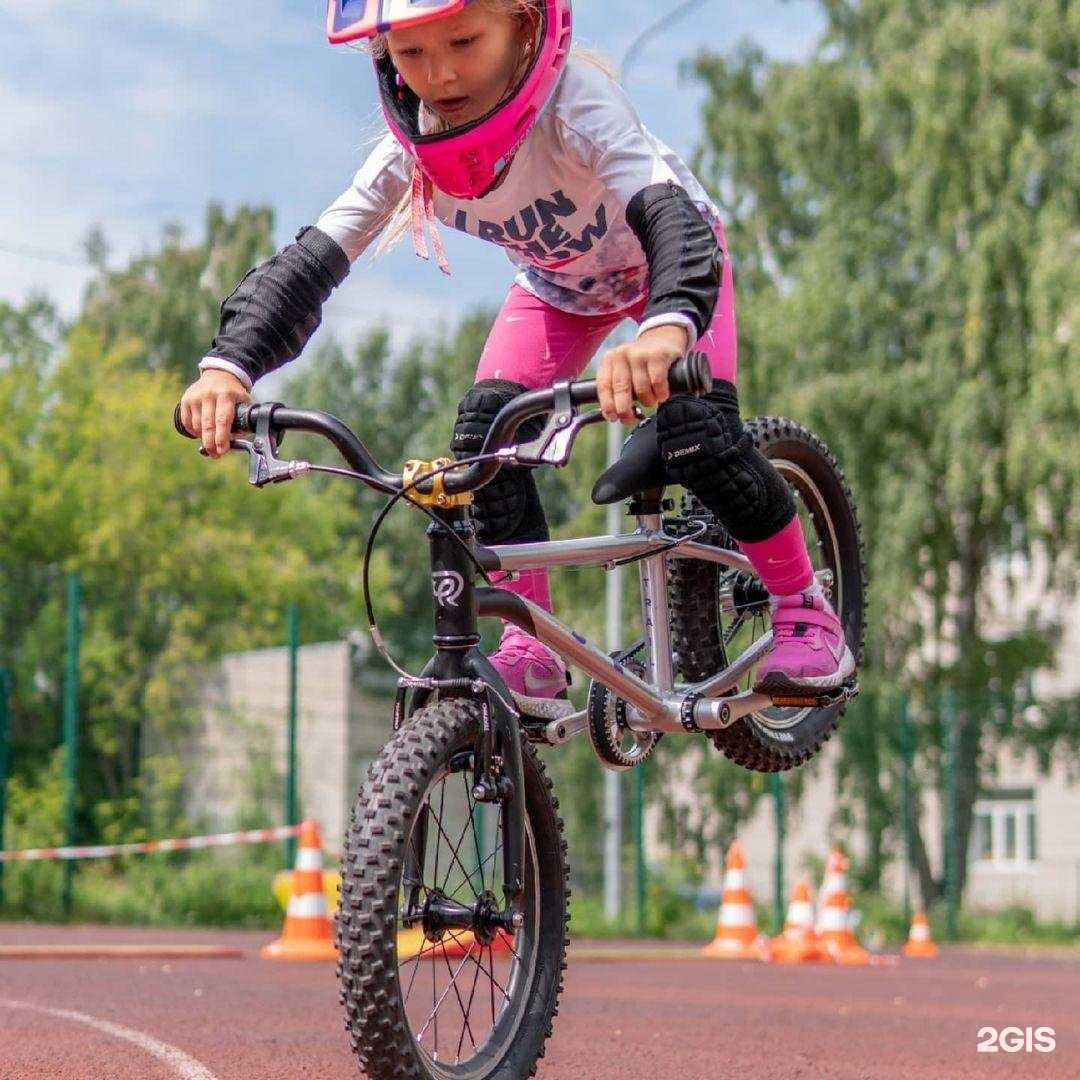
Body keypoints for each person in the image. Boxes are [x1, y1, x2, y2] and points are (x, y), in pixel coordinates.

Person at [179, 0, 855, 709]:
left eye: (465, 41)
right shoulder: (409, 156)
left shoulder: (576, 107)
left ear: (525, 25)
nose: (438, 74)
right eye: (411, 55)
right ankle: (530, 649)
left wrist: (663, 330)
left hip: (669, 268)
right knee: (484, 441)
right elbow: (310, 264)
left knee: (699, 431)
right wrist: (228, 367)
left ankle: (806, 611)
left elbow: (668, 216)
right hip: (558, 289)